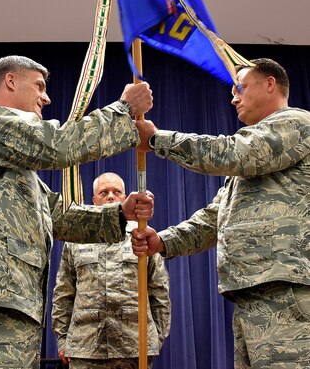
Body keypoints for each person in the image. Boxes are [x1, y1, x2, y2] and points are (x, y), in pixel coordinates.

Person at [132, 58, 310, 369]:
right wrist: (162, 241)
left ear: (270, 85)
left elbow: (233, 152)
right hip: (254, 293)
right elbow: (215, 218)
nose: (233, 97)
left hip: (286, 291)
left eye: (240, 88)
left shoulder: (295, 124)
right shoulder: (253, 159)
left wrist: (158, 139)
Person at [0, 55, 154, 369]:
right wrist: (123, 110)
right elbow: (57, 145)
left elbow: (59, 216)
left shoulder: (16, 168)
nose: (46, 97)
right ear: (10, 81)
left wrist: (119, 215)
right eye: (39, 86)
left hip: (8, 305)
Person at [52, 172, 171, 369]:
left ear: (124, 198)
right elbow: (63, 294)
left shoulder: (142, 236)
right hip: (85, 349)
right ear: (94, 200)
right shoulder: (75, 240)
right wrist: (63, 340)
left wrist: (155, 339)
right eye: (103, 192)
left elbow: (159, 291)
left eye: (116, 192)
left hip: (134, 348)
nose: (110, 196)